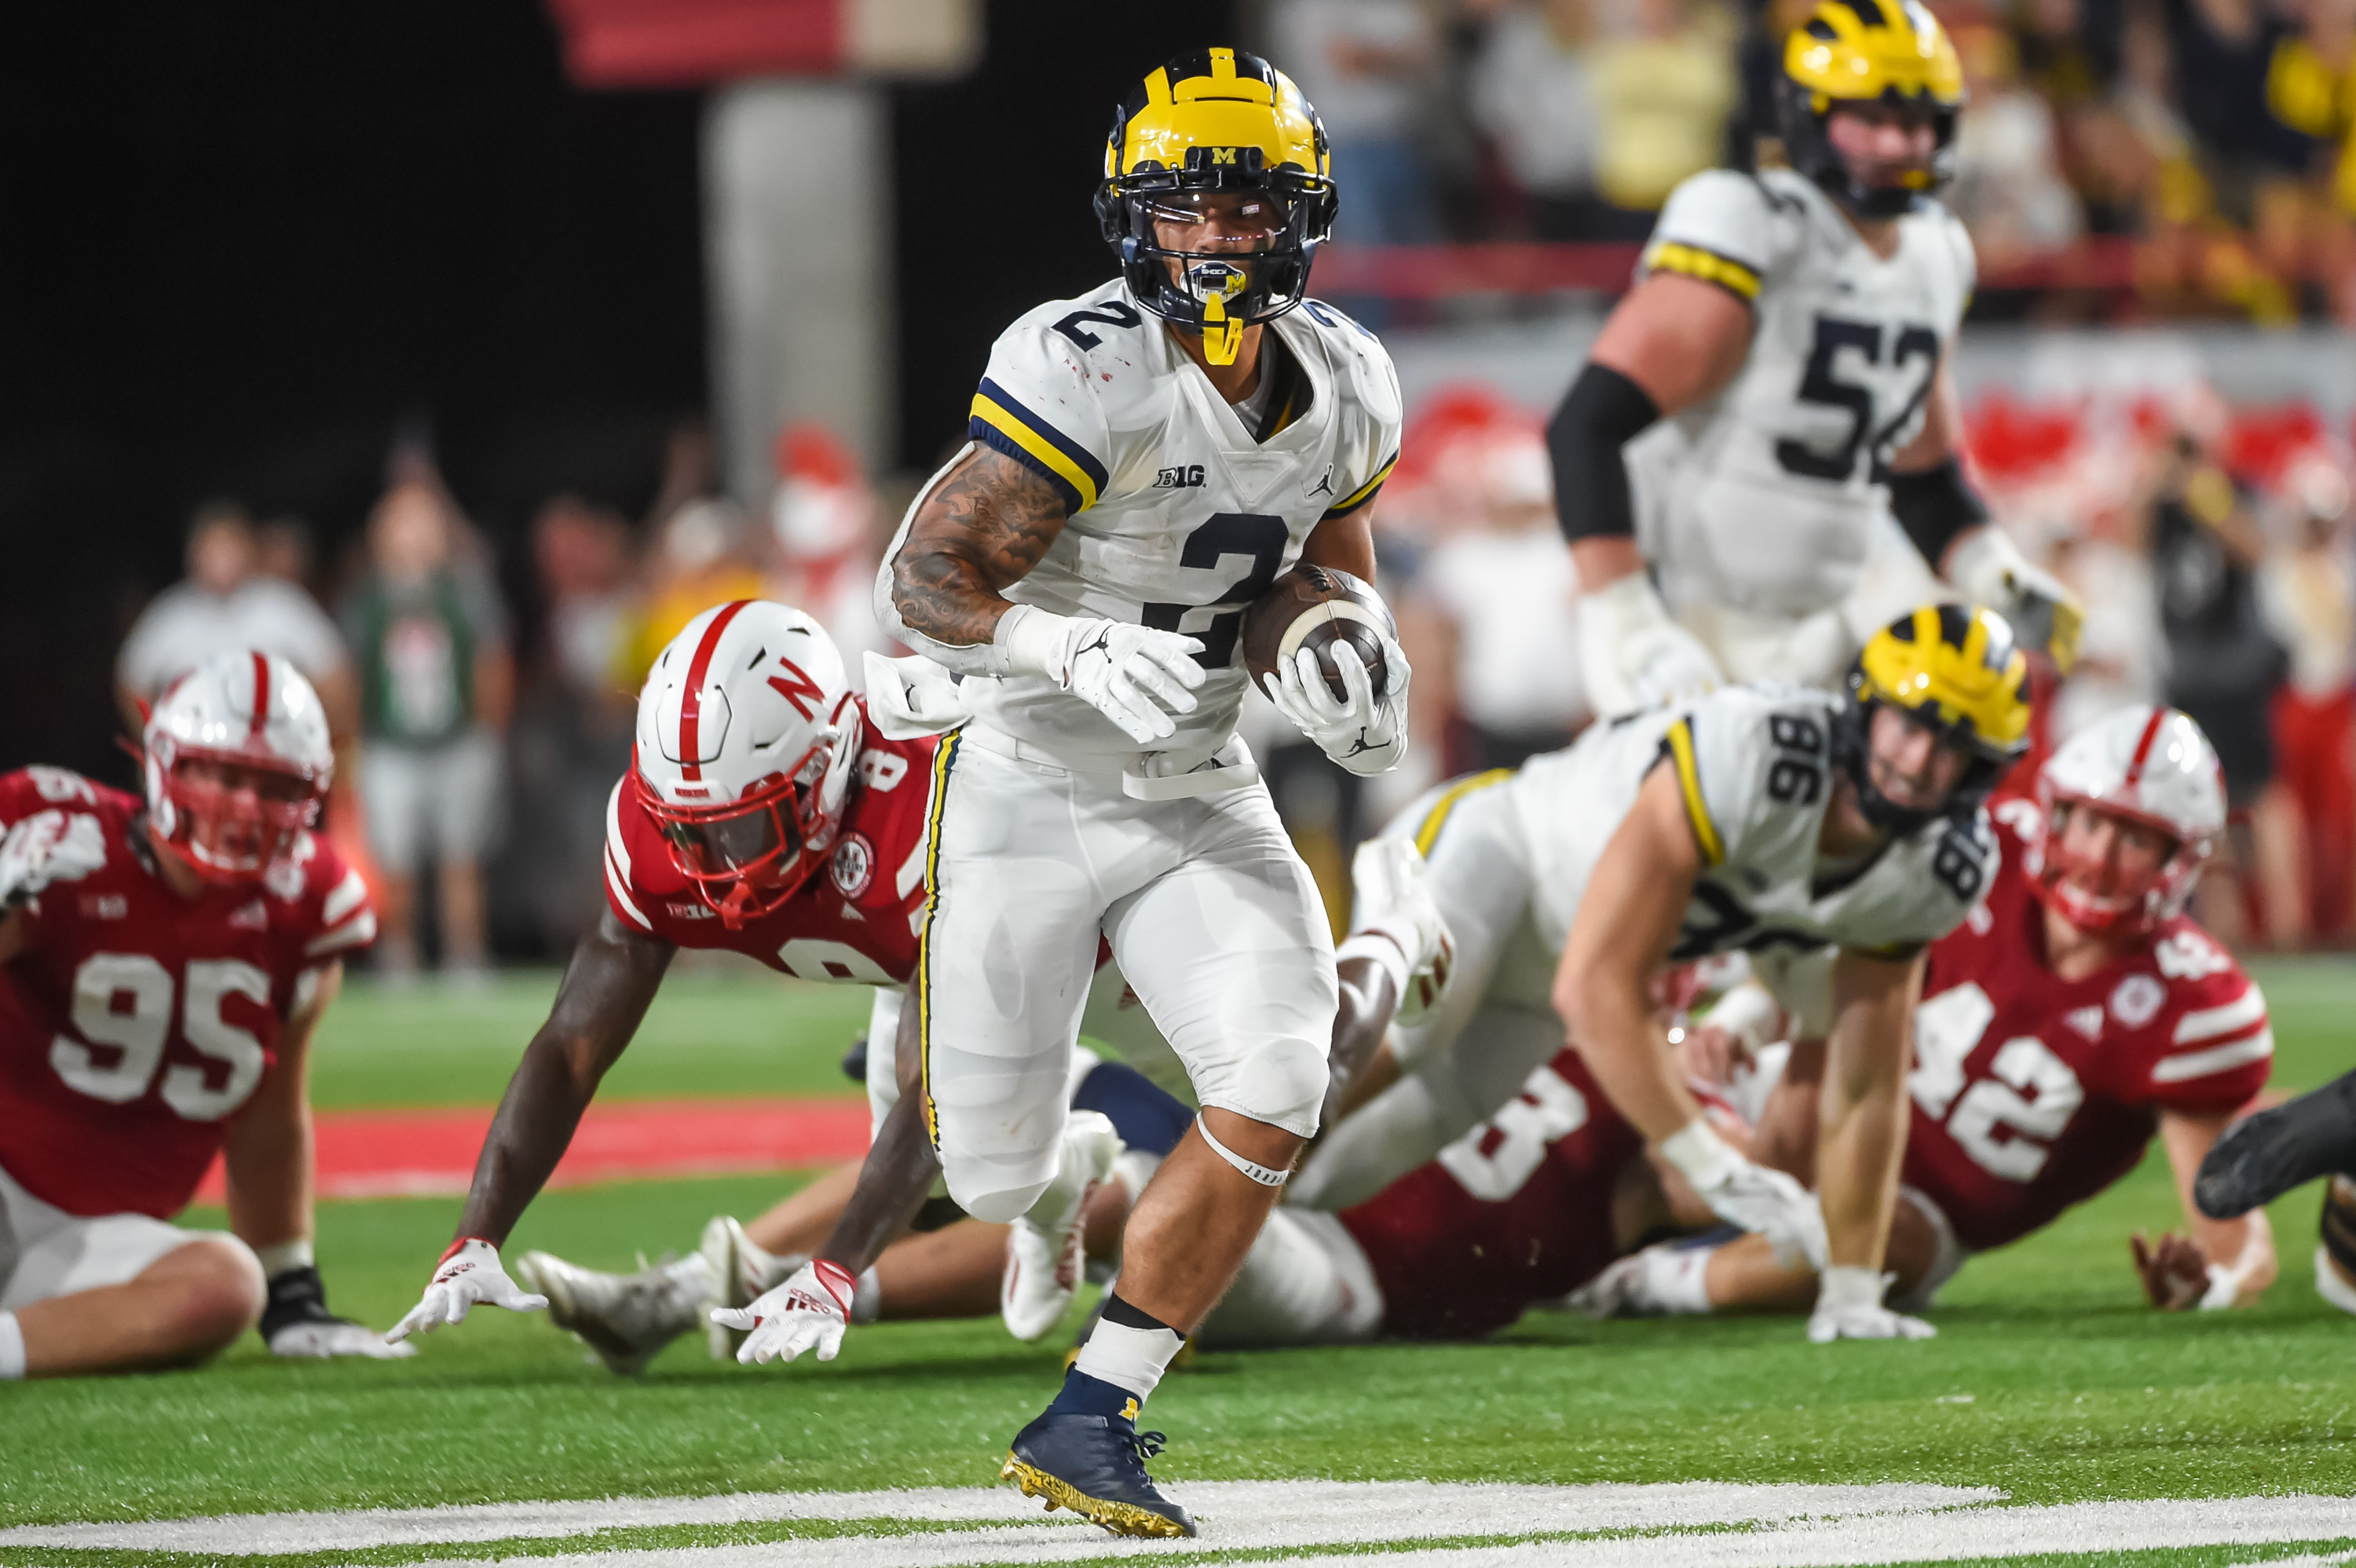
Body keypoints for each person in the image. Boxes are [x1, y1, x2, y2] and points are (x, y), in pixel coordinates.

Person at [861, 49, 1410, 1537]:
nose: (1221, 234)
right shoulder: (1086, 361)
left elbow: (1313, 571)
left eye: (1250, 203)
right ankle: (1006, 1122)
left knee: (1282, 1070)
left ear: (1303, 214)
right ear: (1135, 220)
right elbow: (926, 572)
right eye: (1189, 206)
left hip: (1194, 780)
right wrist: (1060, 639)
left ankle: (1092, 1413)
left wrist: (1348, 656)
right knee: (981, 1174)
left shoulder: (1350, 380)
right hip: (1030, 775)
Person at [1294, 604, 2028, 1347]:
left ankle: (1215, 1234)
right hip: (1498, 853)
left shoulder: (1932, 870)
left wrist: (1852, 1287)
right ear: (1865, 704)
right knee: (1413, 1032)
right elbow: (1597, 984)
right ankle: (1195, 1171)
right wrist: (1703, 1158)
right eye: (1911, 724)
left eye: (1953, 746)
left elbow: (1866, 1081)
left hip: (1542, 981)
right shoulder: (1762, 751)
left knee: (1355, 1166)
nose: (1918, 760)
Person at [1589, 705, 2282, 1324]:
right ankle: (1557, 1252)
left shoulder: (2196, 1006)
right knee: (1625, 1115)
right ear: (2057, 813)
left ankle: (1642, 1282)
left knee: (1854, 1239)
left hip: (1920, 1207)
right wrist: (1743, 1016)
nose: (2098, 859)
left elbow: (2236, 1229)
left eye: (2134, 840)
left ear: (2180, 859)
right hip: (1808, 1091)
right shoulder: (1984, 853)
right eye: (2093, 822)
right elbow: (1843, 938)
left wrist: (2215, 1285)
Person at [1546, 0, 2081, 716]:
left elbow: (1919, 471)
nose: (1895, 144)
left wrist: (1992, 568)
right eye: (1871, 119)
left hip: (1825, 627)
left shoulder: (1938, 254)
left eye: (1916, 122)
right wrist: (1625, 616)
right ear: (1809, 115)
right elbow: (1587, 425)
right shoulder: (1754, 225)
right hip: (1687, 616)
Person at [0, 651, 395, 1377]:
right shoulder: (53, 835)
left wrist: (293, 1293)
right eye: (222, 773)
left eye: (274, 785)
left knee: (224, 1284)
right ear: (162, 762)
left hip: (93, 1242)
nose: (245, 806)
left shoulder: (307, 908)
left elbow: (272, 1116)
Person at [340, 480, 514, 979]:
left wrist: (488, 733)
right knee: (396, 864)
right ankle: (401, 956)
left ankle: (466, 955)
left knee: (463, 858)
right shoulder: (367, 596)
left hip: (459, 740)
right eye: (403, 522)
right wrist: (352, 746)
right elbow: (351, 677)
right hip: (390, 745)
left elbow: (491, 662)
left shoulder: (465, 589)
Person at [115, 502, 358, 765]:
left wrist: (328, 745)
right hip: (195, 763)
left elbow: (335, 675)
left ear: (248, 549)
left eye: (229, 548)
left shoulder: (280, 604)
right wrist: (158, 740)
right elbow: (130, 682)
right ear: (193, 554)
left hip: (272, 760)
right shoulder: (172, 613)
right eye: (211, 549)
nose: (221, 560)